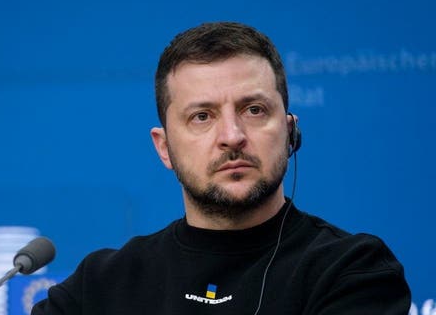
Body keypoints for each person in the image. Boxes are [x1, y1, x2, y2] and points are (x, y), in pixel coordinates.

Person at [31, 21, 411, 314]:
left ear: (290, 131)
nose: (232, 135)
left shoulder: (352, 270)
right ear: (164, 148)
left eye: (254, 110)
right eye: (202, 116)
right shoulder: (99, 285)